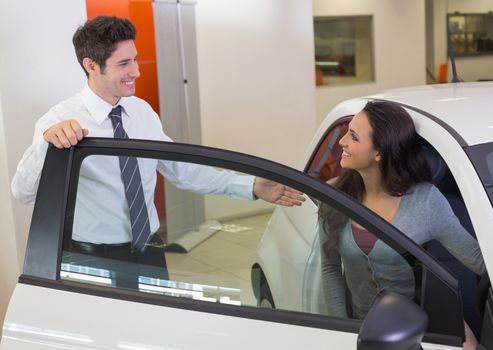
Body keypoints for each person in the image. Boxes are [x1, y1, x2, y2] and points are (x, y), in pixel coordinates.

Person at [12, 16, 303, 288]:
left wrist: (251, 185)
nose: (136, 72)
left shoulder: (142, 112)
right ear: (91, 65)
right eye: (124, 63)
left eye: (135, 60)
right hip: (93, 259)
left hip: (150, 249)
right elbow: (22, 193)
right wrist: (46, 145)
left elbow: (182, 170)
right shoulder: (58, 122)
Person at [318, 101, 484, 348]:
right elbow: (330, 269)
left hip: (425, 324)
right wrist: (340, 332)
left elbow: (479, 261)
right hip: (365, 329)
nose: (341, 141)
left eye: (353, 136)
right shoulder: (334, 195)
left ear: (379, 153)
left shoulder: (426, 201)